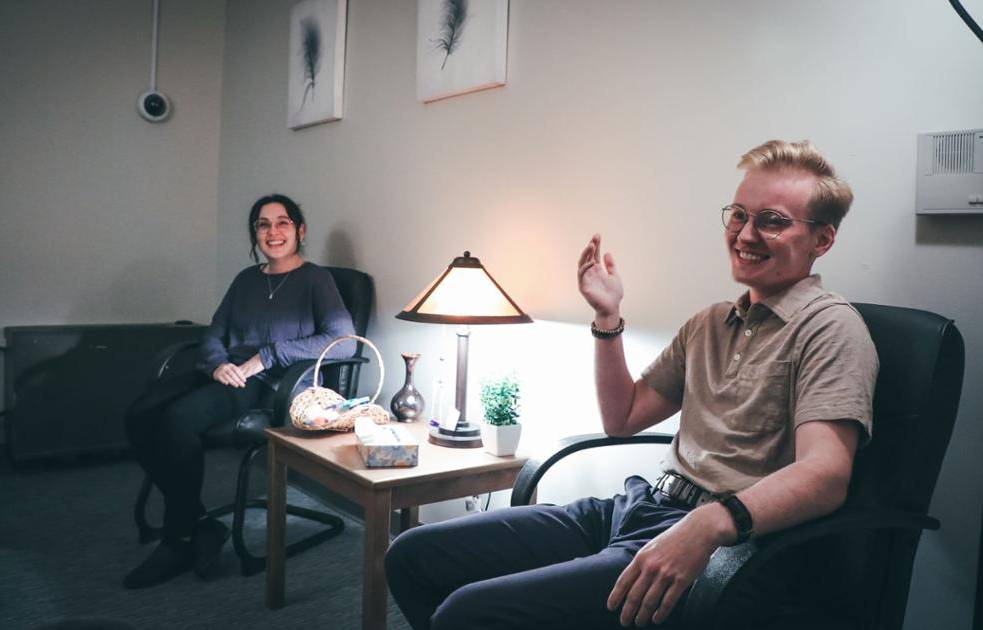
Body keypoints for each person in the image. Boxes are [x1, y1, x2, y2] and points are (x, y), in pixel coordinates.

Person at [385, 140, 878, 629]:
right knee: (412, 554)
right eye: (738, 216)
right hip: (643, 506)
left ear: (822, 240)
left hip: (725, 550)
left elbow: (825, 476)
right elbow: (623, 418)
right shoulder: (710, 323)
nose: (746, 234)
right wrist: (607, 317)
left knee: (467, 614)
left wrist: (709, 524)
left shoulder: (830, 328)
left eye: (771, 221)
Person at [123, 194, 356, 589]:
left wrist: (266, 357)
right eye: (263, 224)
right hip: (225, 373)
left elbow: (344, 342)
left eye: (282, 223)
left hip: (269, 384)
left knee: (177, 420)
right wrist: (217, 363)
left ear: (300, 231)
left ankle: (179, 539)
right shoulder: (247, 279)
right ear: (255, 233)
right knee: (139, 414)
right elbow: (214, 331)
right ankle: (200, 523)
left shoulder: (315, 279)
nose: (272, 232)